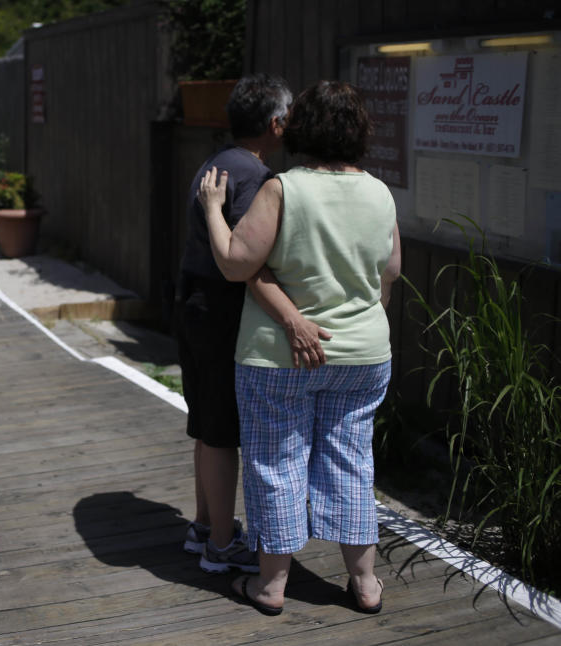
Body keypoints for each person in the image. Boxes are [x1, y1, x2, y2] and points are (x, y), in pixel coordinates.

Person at [198, 80, 402, 615]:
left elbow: (237, 263)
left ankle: (271, 586)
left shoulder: (283, 189)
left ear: (302, 129)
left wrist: (215, 208)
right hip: (362, 354)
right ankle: (364, 583)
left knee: (276, 462)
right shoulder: (380, 192)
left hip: (279, 357)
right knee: (352, 461)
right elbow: (391, 273)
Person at [176, 74, 325, 574]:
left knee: (207, 425)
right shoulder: (254, 178)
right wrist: (292, 317)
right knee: (221, 432)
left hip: (193, 304)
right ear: (276, 124)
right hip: (220, 313)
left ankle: (203, 527)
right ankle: (221, 545)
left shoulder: (217, 162)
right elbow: (245, 260)